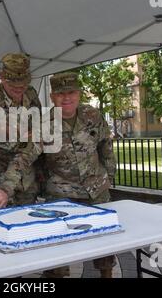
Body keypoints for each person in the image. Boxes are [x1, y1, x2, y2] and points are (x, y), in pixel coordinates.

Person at [40, 72, 117, 278]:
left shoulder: (92, 115)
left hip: (96, 190)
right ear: (52, 97)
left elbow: (105, 146)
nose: (66, 98)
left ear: (79, 93)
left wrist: (110, 176)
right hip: (60, 194)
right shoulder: (43, 124)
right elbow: (33, 160)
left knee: (105, 243)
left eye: (71, 92)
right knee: (57, 248)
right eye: (60, 93)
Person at [0, 53, 42, 209]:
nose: (20, 89)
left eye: (23, 85)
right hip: (1, 186)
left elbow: (36, 139)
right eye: (14, 86)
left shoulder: (31, 94)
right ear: (1, 77)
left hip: (27, 181)